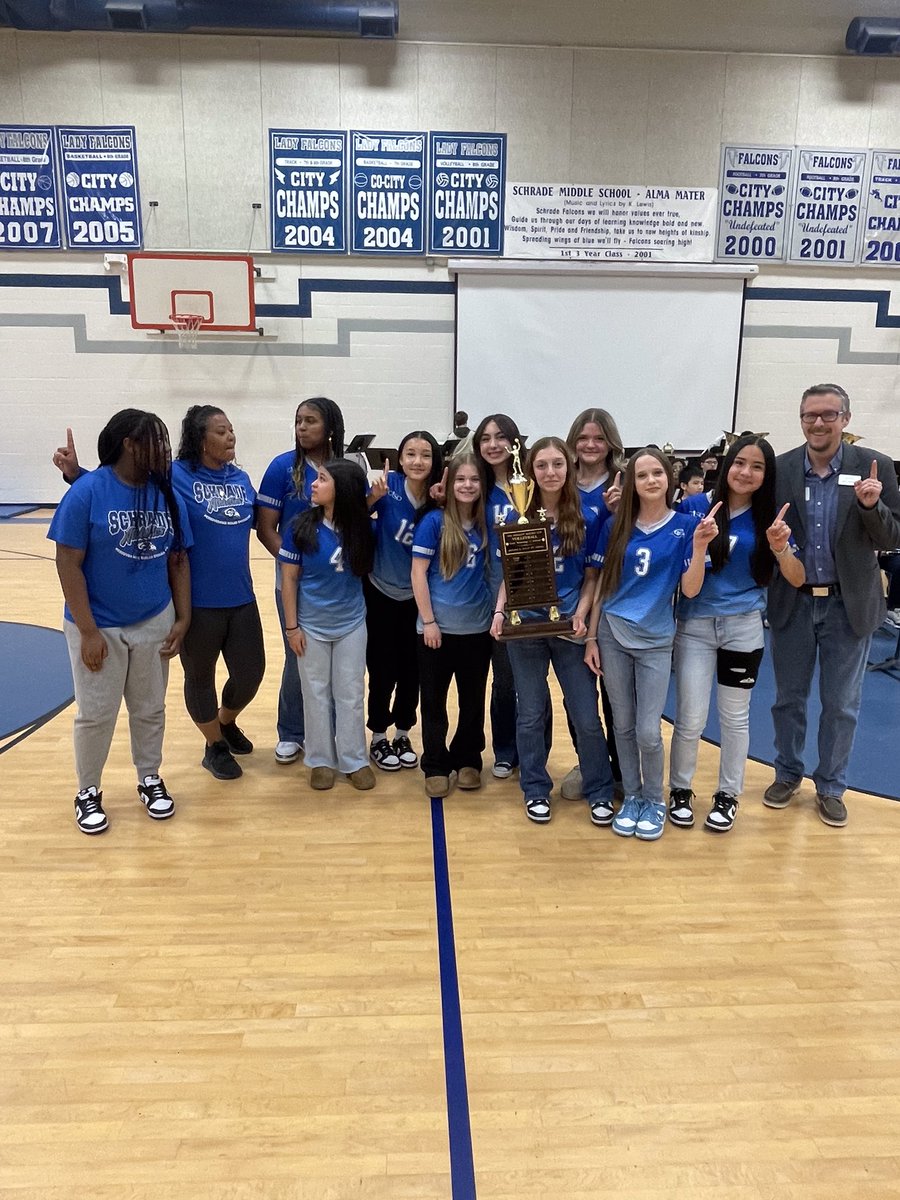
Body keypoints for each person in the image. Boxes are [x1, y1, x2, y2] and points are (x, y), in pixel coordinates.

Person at [47, 409, 192, 835]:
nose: (164, 449)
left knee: (150, 708)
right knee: (96, 713)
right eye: (156, 441)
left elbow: (178, 559)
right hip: (99, 625)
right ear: (129, 444)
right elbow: (67, 564)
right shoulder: (87, 492)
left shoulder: (166, 494)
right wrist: (88, 631)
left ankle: (149, 777)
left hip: (154, 618)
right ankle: (87, 790)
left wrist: (183, 617)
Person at [765, 383, 900, 826]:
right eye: (810, 415)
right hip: (794, 601)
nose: (818, 423)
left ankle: (831, 785)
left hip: (848, 604)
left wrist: (871, 507)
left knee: (841, 704)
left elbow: (892, 536)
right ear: (801, 419)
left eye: (828, 414)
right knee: (788, 699)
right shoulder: (781, 467)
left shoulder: (874, 466)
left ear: (846, 419)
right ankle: (787, 773)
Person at [669, 435, 804, 833]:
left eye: (757, 466)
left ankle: (728, 795)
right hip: (695, 625)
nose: (746, 472)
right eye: (740, 463)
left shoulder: (771, 520)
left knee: (734, 719)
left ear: (767, 474)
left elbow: (797, 578)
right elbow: (685, 580)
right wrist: (698, 546)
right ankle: (680, 790)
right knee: (690, 718)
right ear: (727, 465)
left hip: (743, 627)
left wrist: (780, 549)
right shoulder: (695, 506)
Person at [589, 448, 715, 841]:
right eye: (641, 475)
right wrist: (591, 636)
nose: (650, 481)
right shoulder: (615, 525)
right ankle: (632, 797)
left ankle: (654, 799)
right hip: (612, 633)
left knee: (648, 730)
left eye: (656, 473)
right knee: (623, 725)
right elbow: (602, 585)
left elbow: (690, 590)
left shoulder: (686, 526)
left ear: (669, 478)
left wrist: (700, 547)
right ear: (632, 483)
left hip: (657, 639)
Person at [491, 437, 615, 825]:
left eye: (557, 464)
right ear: (530, 473)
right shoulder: (516, 517)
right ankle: (535, 788)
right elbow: (511, 575)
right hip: (526, 628)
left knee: (585, 715)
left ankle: (599, 789)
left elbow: (593, 577)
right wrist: (499, 611)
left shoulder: (589, 514)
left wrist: (581, 614)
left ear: (569, 467)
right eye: (541, 465)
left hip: (569, 628)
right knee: (530, 713)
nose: (550, 472)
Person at [172, 406, 266, 781]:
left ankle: (225, 722)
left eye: (231, 430)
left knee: (251, 673)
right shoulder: (175, 475)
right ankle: (214, 746)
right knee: (200, 677)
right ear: (200, 440)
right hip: (197, 603)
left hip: (241, 597)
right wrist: (75, 475)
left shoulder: (240, 479)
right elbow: (123, 488)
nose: (231, 437)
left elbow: (267, 519)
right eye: (221, 431)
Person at [256, 396, 345, 766]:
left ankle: (328, 732)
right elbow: (265, 528)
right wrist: (293, 564)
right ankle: (291, 730)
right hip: (293, 583)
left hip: (337, 583)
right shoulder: (282, 467)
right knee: (299, 656)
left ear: (330, 427)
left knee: (335, 662)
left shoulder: (345, 467)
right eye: (298, 421)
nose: (302, 428)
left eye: (310, 421)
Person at [279, 459, 375, 791]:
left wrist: (376, 497)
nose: (314, 484)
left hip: (351, 623)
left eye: (322, 479)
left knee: (350, 693)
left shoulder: (363, 528)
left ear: (342, 490)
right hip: (311, 625)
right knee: (315, 693)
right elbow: (289, 580)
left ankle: (354, 759)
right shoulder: (300, 527)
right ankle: (320, 760)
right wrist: (292, 628)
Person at [411, 455, 493, 797]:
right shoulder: (434, 522)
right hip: (437, 631)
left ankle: (469, 759)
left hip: (477, 629)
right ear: (449, 483)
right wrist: (429, 621)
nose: (468, 485)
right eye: (461, 479)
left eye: (474, 480)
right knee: (433, 701)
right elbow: (418, 573)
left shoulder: (487, 523)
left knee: (472, 701)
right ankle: (435, 763)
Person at [365, 431, 443, 771]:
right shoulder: (388, 487)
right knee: (382, 669)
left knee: (413, 671)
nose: (417, 461)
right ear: (400, 458)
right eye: (410, 453)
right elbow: (352, 516)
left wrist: (444, 502)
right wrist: (373, 497)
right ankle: (378, 735)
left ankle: (403, 732)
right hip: (381, 592)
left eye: (425, 455)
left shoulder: (439, 494)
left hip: (419, 597)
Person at [559, 407, 626, 801]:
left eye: (599, 438)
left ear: (611, 443)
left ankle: (622, 769)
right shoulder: (560, 481)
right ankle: (590, 764)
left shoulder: (626, 483)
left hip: (612, 601)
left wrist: (622, 511)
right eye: (583, 438)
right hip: (572, 605)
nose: (590, 445)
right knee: (579, 699)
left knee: (617, 698)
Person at [472, 413, 528, 779]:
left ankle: (534, 750)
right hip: (485, 596)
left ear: (514, 442)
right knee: (503, 679)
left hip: (528, 594)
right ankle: (505, 750)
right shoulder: (475, 486)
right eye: (486, 438)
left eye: (500, 436)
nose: (493, 444)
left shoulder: (530, 484)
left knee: (532, 682)